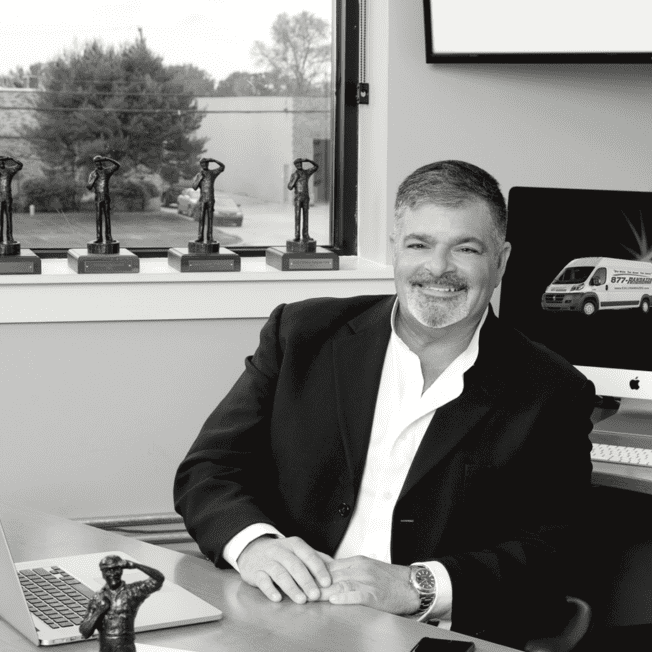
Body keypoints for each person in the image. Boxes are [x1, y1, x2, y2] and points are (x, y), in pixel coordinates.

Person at [174, 160, 595, 649]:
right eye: (419, 245)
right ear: (396, 249)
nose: (438, 268)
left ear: (500, 261)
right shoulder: (302, 336)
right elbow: (208, 469)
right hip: (280, 619)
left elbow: (555, 550)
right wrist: (255, 546)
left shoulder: (551, 389)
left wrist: (418, 586)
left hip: (429, 637)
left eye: (465, 248)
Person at [79, 555, 164, 652]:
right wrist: (99, 611)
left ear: (122, 570)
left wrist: (136, 565)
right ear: (102, 574)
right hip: (105, 648)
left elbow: (158, 579)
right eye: (108, 570)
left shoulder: (133, 591)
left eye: (116, 569)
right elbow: (85, 632)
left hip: (126, 647)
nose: (112, 573)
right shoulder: (97, 598)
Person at [0, 154, 23, 245]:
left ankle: (9, 237)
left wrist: (12, 158)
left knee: (8, 217)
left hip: (7, 196)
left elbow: (20, 165)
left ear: (5, 162)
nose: (1, 164)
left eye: (3, 162)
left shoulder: (10, 171)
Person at [87, 155, 121, 245]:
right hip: (98, 198)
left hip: (105, 197)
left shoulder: (107, 171)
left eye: (100, 162)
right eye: (96, 163)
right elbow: (89, 187)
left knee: (107, 218)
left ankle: (108, 237)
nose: (98, 164)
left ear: (102, 162)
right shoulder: (93, 174)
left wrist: (107, 159)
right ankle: (99, 238)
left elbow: (117, 165)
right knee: (98, 218)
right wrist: (93, 179)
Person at [192, 157, 225, 244]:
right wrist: (199, 179)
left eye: (206, 163)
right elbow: (194, 187)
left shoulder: (212, 173)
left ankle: (210, 237)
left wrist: (214, 160)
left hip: (210, 199)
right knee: (201, 219)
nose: (204, 165)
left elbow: (222, 167)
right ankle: (200, 237)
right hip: (203, 199)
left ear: (208, 164)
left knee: (210, 219)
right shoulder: (199, 175)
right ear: (201, 165)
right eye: (202, 164)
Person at [287, 157, 319, 244]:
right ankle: (297, 236)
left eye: (300, 163)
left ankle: (305, 235)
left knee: (306, 216)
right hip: (297, 198)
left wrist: (308, 160)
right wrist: (295, 179)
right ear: (295, 166)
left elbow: (316, 167)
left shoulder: (306, 172)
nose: (299, 165)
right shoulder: (294, 175)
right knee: (297, 216)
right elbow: (289, 187)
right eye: (297, 164)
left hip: (305, 197)